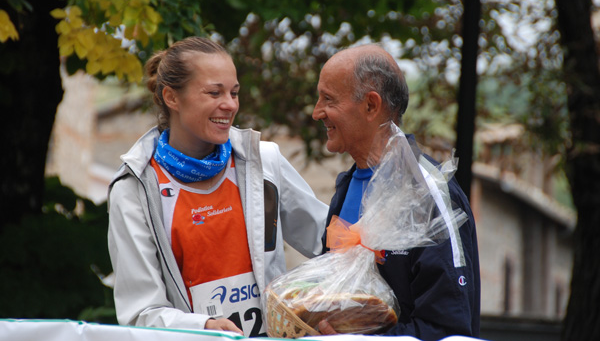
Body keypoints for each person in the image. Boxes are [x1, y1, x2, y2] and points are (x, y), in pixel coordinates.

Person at [107, 36, 328, 337]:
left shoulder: (263, 161)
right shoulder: (133, 188)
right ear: (172, 98)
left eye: (234, 93)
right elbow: (140, 313)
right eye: (214, 93)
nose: (230, 105)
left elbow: (326, 240)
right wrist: (205, 327)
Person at [312, 44, 480, 340]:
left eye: (328, 99)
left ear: (370, 106)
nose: (317, 113)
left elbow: (448, 330)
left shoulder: (427, 193)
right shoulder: (347, 186)